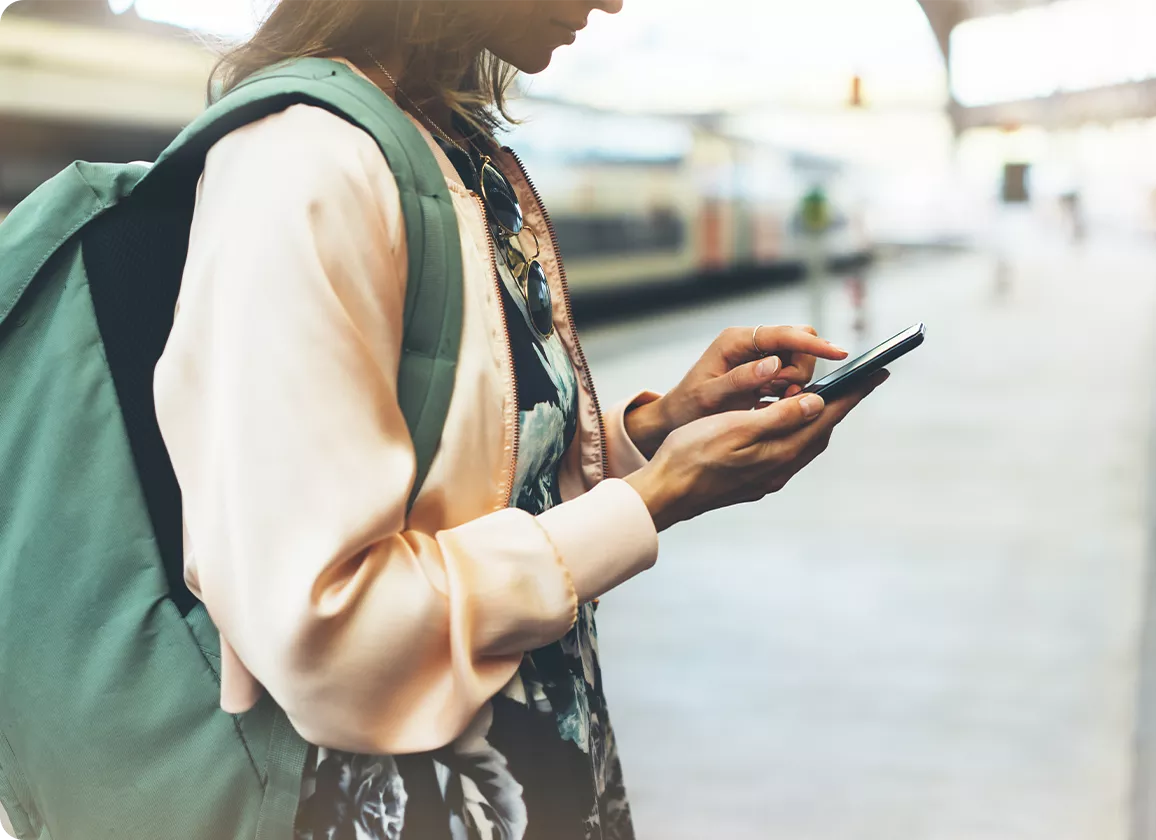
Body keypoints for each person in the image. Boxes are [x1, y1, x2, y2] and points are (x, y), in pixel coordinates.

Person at [154, 1, 888, 837]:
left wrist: (657, 430)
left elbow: (492, 494)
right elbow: (327, 630)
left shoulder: (446, 151)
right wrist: (660, 499)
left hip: (538, 770)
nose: (614, 2)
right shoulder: (300, 165)